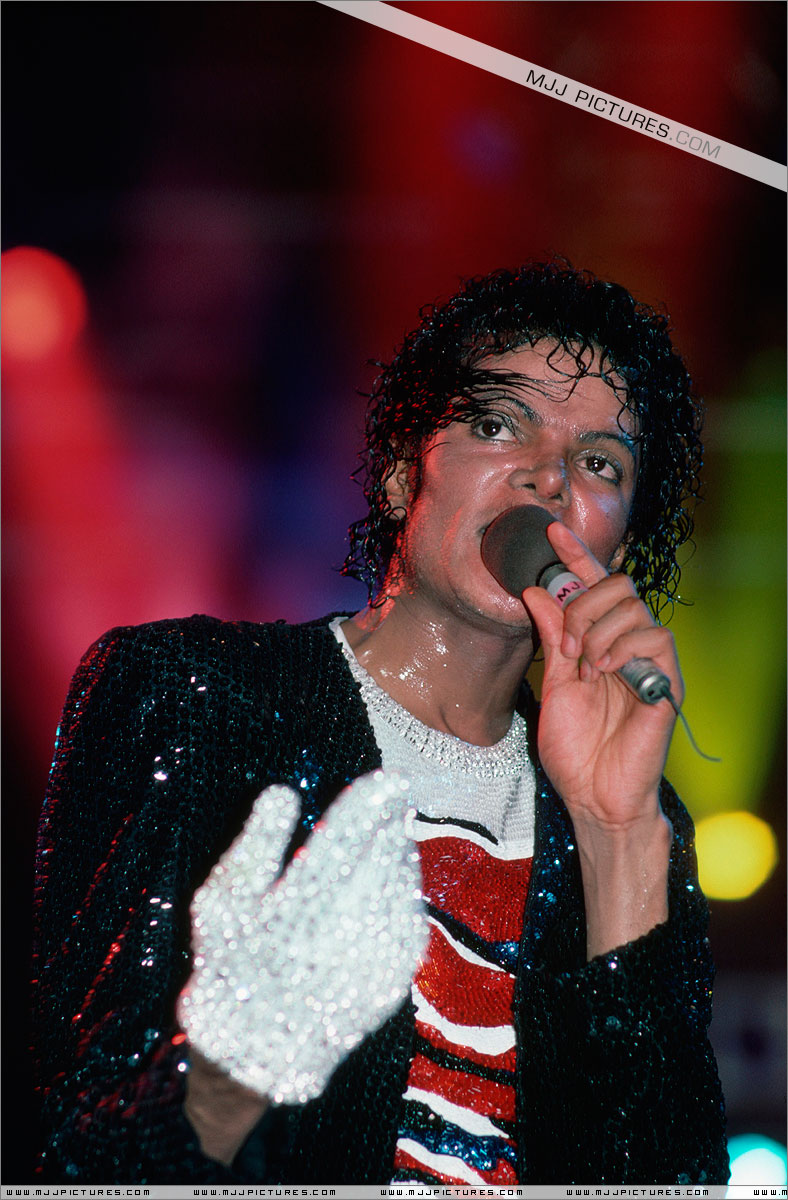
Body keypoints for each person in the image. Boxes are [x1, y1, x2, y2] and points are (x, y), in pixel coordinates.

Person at [32, 260, 729, 1185]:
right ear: (405, 475)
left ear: (619, 545)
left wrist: (614, 832)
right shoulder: (194, 693)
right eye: (496, 423)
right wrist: (230, 1076)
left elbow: (672, 1175)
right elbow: (77, 1144)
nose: (551, 477)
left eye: (600, 462)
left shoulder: (639, 824)